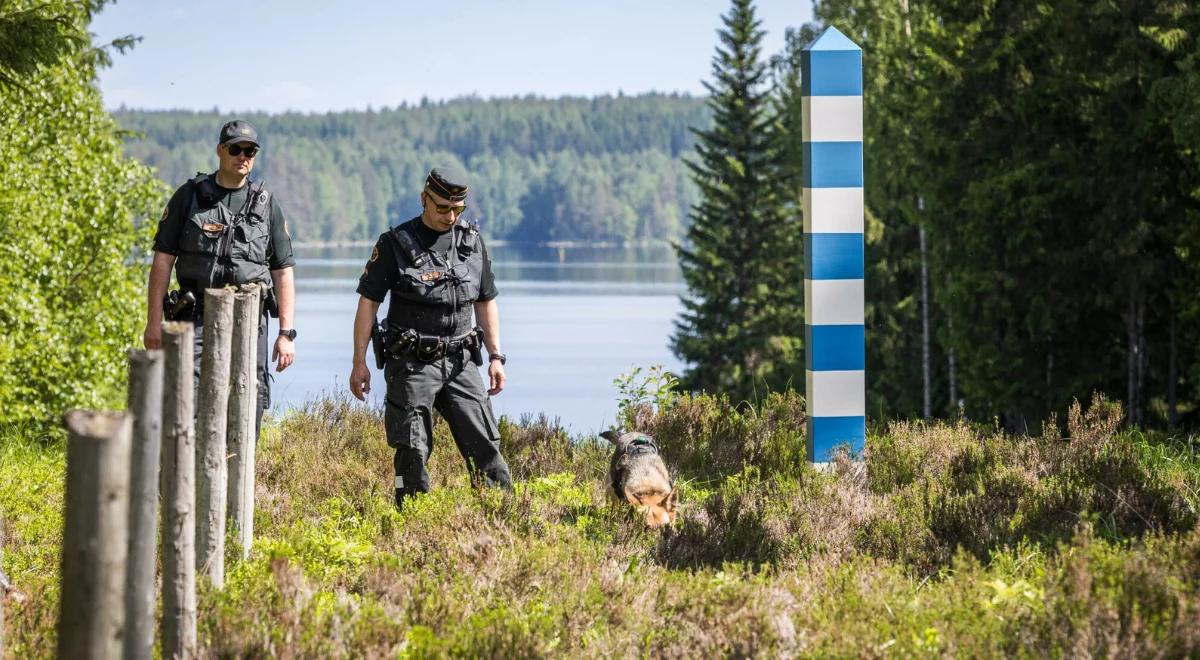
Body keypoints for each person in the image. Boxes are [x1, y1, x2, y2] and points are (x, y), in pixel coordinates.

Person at [350, 166, 512, 508]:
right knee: (412, 451)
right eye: (442, 208)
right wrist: (358, 362)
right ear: (424, 199)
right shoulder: (394, 244)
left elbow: (486, 300)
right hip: (411, 363)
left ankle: (503, 518)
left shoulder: (471, 242)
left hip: (460, 361)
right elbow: (368, 304)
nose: (449, 216)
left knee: (485, 446)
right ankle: (411, 521)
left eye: (457, 209)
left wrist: (496, 356)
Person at [144, 119, 296, 435]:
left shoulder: (266, 205)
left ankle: (238, 480)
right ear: (220, 150)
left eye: (250, 150)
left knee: (247, 399)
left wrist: (286, 333)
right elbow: (162, 262)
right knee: (188, 397)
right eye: (236, 149)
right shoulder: (189, 197)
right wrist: (153, 322)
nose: (243, 156)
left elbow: (283, 272)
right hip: (195, 316)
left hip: (249, 320)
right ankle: (183, 478)